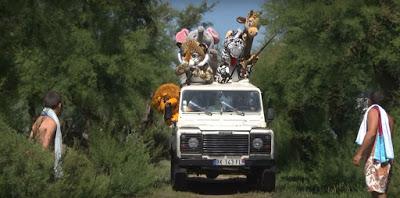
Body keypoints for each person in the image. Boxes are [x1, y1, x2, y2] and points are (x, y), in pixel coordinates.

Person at [353, 91, 395, 198]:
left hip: (376, 156)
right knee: (379, 189)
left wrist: (359, 153)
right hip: (386, 157)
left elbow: (371, 133)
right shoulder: (388, 117)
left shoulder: (373, 111)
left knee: (378, 192)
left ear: (370, 100)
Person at [30, 91, 63, 178]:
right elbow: (45, 144)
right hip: (42, 167)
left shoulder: (39, 119)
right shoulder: (51, 122)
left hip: (32, 161)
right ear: (59, 105)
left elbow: (30, 140)